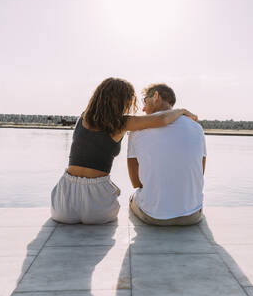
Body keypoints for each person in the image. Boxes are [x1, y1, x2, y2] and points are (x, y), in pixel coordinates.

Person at [51, 78, 197, 225]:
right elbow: (163, 119)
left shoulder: (82, 118)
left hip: (63, 203)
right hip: (97, 208)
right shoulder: (121, 123)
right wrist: (181, 110)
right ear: (122, 101)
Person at [128, 83, 206, 226]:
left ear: (156, 96)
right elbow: (200, 172)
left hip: (153, 216)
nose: (144, 108)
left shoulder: (137, 130)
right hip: (192, 215)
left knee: (132, 198)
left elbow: (135, 182)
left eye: (145, 101)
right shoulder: (197, 128)